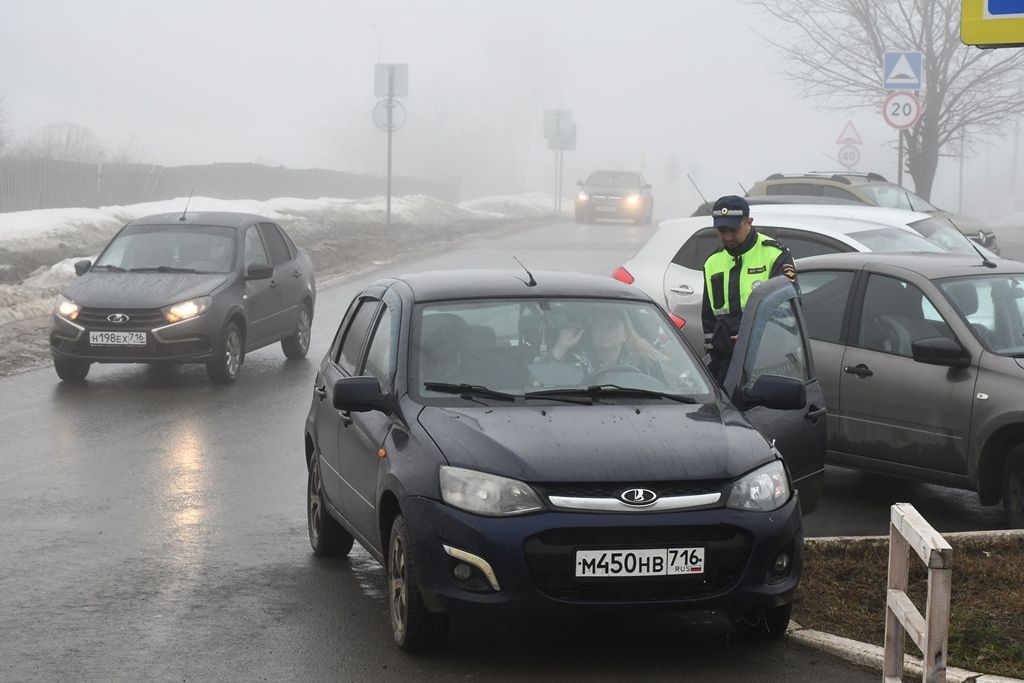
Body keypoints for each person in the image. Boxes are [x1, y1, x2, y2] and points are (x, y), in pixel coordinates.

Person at [701, 195, 797, 385]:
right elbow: (709, 319)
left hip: (766, 360)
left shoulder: (775, 255)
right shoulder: (712, 262)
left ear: (749, 222)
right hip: (726, 364)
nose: (728, 237)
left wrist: (753, 337)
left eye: (733, 230)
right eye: (722, 231)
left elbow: (788, 310)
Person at [548, 307, 666, 380]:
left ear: (625, 334)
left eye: (612, 325)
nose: (604, 330)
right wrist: (561, 347)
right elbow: (544, 381)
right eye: (599, 324)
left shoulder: (643, 364)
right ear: (591, 331)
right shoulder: (574, 363)